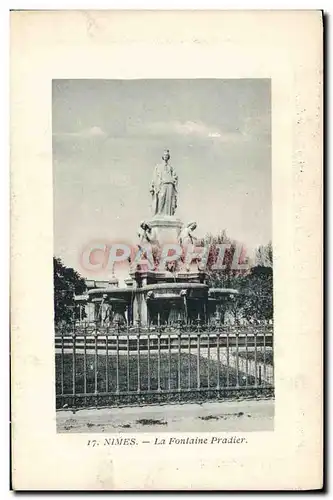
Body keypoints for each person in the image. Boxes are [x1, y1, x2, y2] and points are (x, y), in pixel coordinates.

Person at [150, 149, 178, 216]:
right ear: (163, 156)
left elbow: (175, 176)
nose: (166, 156)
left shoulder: (170, 167)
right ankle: (159, 213)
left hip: (170, 184)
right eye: (165, 155)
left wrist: (173, 180)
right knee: (161, 197)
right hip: (162, 184)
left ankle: (169, 214)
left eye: (167, 155)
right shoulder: (158, 166)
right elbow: (154, 176)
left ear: (168, 157)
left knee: (169, 200)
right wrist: (152, 186)